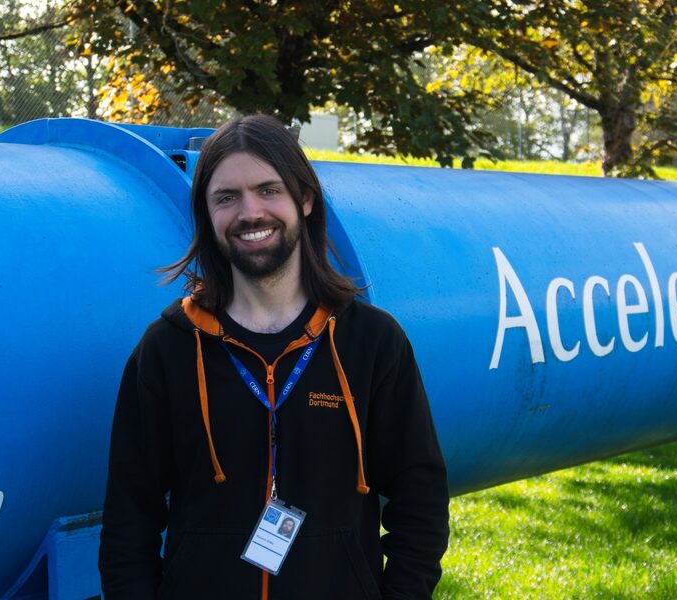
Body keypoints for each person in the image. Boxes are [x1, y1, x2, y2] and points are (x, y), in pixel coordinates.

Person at [98, 114, 449, 599]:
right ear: (206, 214)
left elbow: (421, 499)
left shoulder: (372, 343)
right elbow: (127, 520)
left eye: (268, 190)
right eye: (227, 197)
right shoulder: (168, 349)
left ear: (304, 199)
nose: (250, 213)